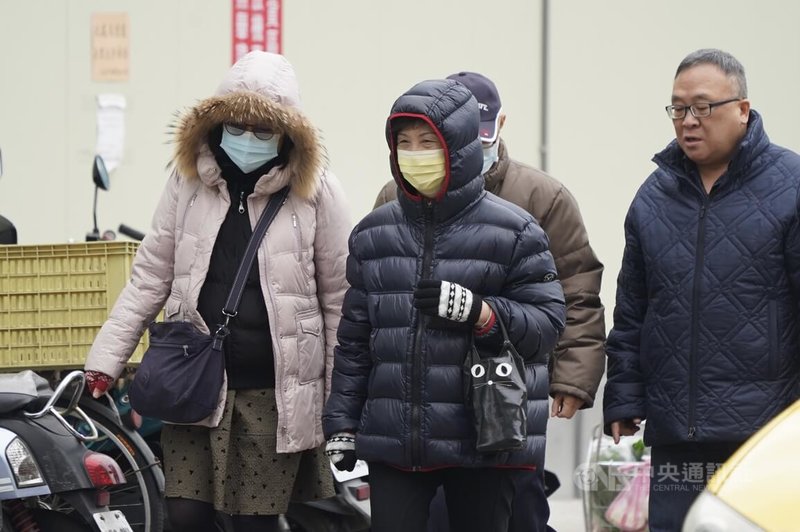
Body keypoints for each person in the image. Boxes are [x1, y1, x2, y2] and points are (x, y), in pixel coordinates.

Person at [83, 51, 351, 532]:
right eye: (237, 125)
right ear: (216, 124)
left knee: (253, 522)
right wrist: (106, 358)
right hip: (196, 383)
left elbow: (339, 301)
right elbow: (150, 275)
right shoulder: (188, 183)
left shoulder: (318, 192)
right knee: (185, 516)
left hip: (274, 391)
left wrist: (341, 398)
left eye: (263, 130)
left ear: (288, 135)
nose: (248, 139)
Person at [322, 78, 566, 532]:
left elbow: (547, 326)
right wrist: (341, 421)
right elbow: (355, 341)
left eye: (428, 142)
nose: (415, 154)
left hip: (485, 437)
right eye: (404, 143)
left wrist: (483, 313)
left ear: (459, 146)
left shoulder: (516, 231)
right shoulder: (372, 235)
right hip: (397, 437)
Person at [374, 71, 606, 532]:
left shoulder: (543, 196)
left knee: (517, 511)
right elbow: (377, 299)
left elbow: (576, 289)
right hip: (420, 398)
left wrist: (574, 377)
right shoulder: (393, 198)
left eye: (483, 132)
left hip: (508, 391)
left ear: (501, 123)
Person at [604, 48, 800, 531]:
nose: (688, 121)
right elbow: (632, 309)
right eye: (678, 108)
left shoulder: (791, 186)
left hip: (765, 436)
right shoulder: (654, 197)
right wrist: (624, 395)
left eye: (703, 107)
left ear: (743, 110)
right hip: (677, 434)